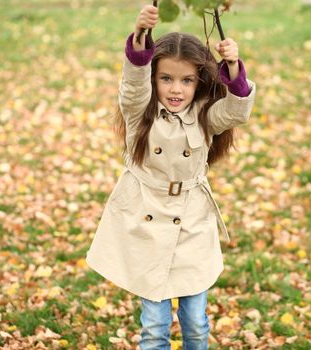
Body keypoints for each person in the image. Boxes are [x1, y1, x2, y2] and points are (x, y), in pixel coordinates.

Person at [85, 4, 255, 349]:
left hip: (192, 223)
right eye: (166, 78)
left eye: (186, 80)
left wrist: (234, 66)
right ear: (154, 79)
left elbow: (238, 109)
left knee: (195, 323)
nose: (176, 89)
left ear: (199, 81)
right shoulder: (139, 112)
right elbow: (133, 84)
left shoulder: (205, 115)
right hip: (147, 222)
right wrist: (140, 35)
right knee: (154, 326)